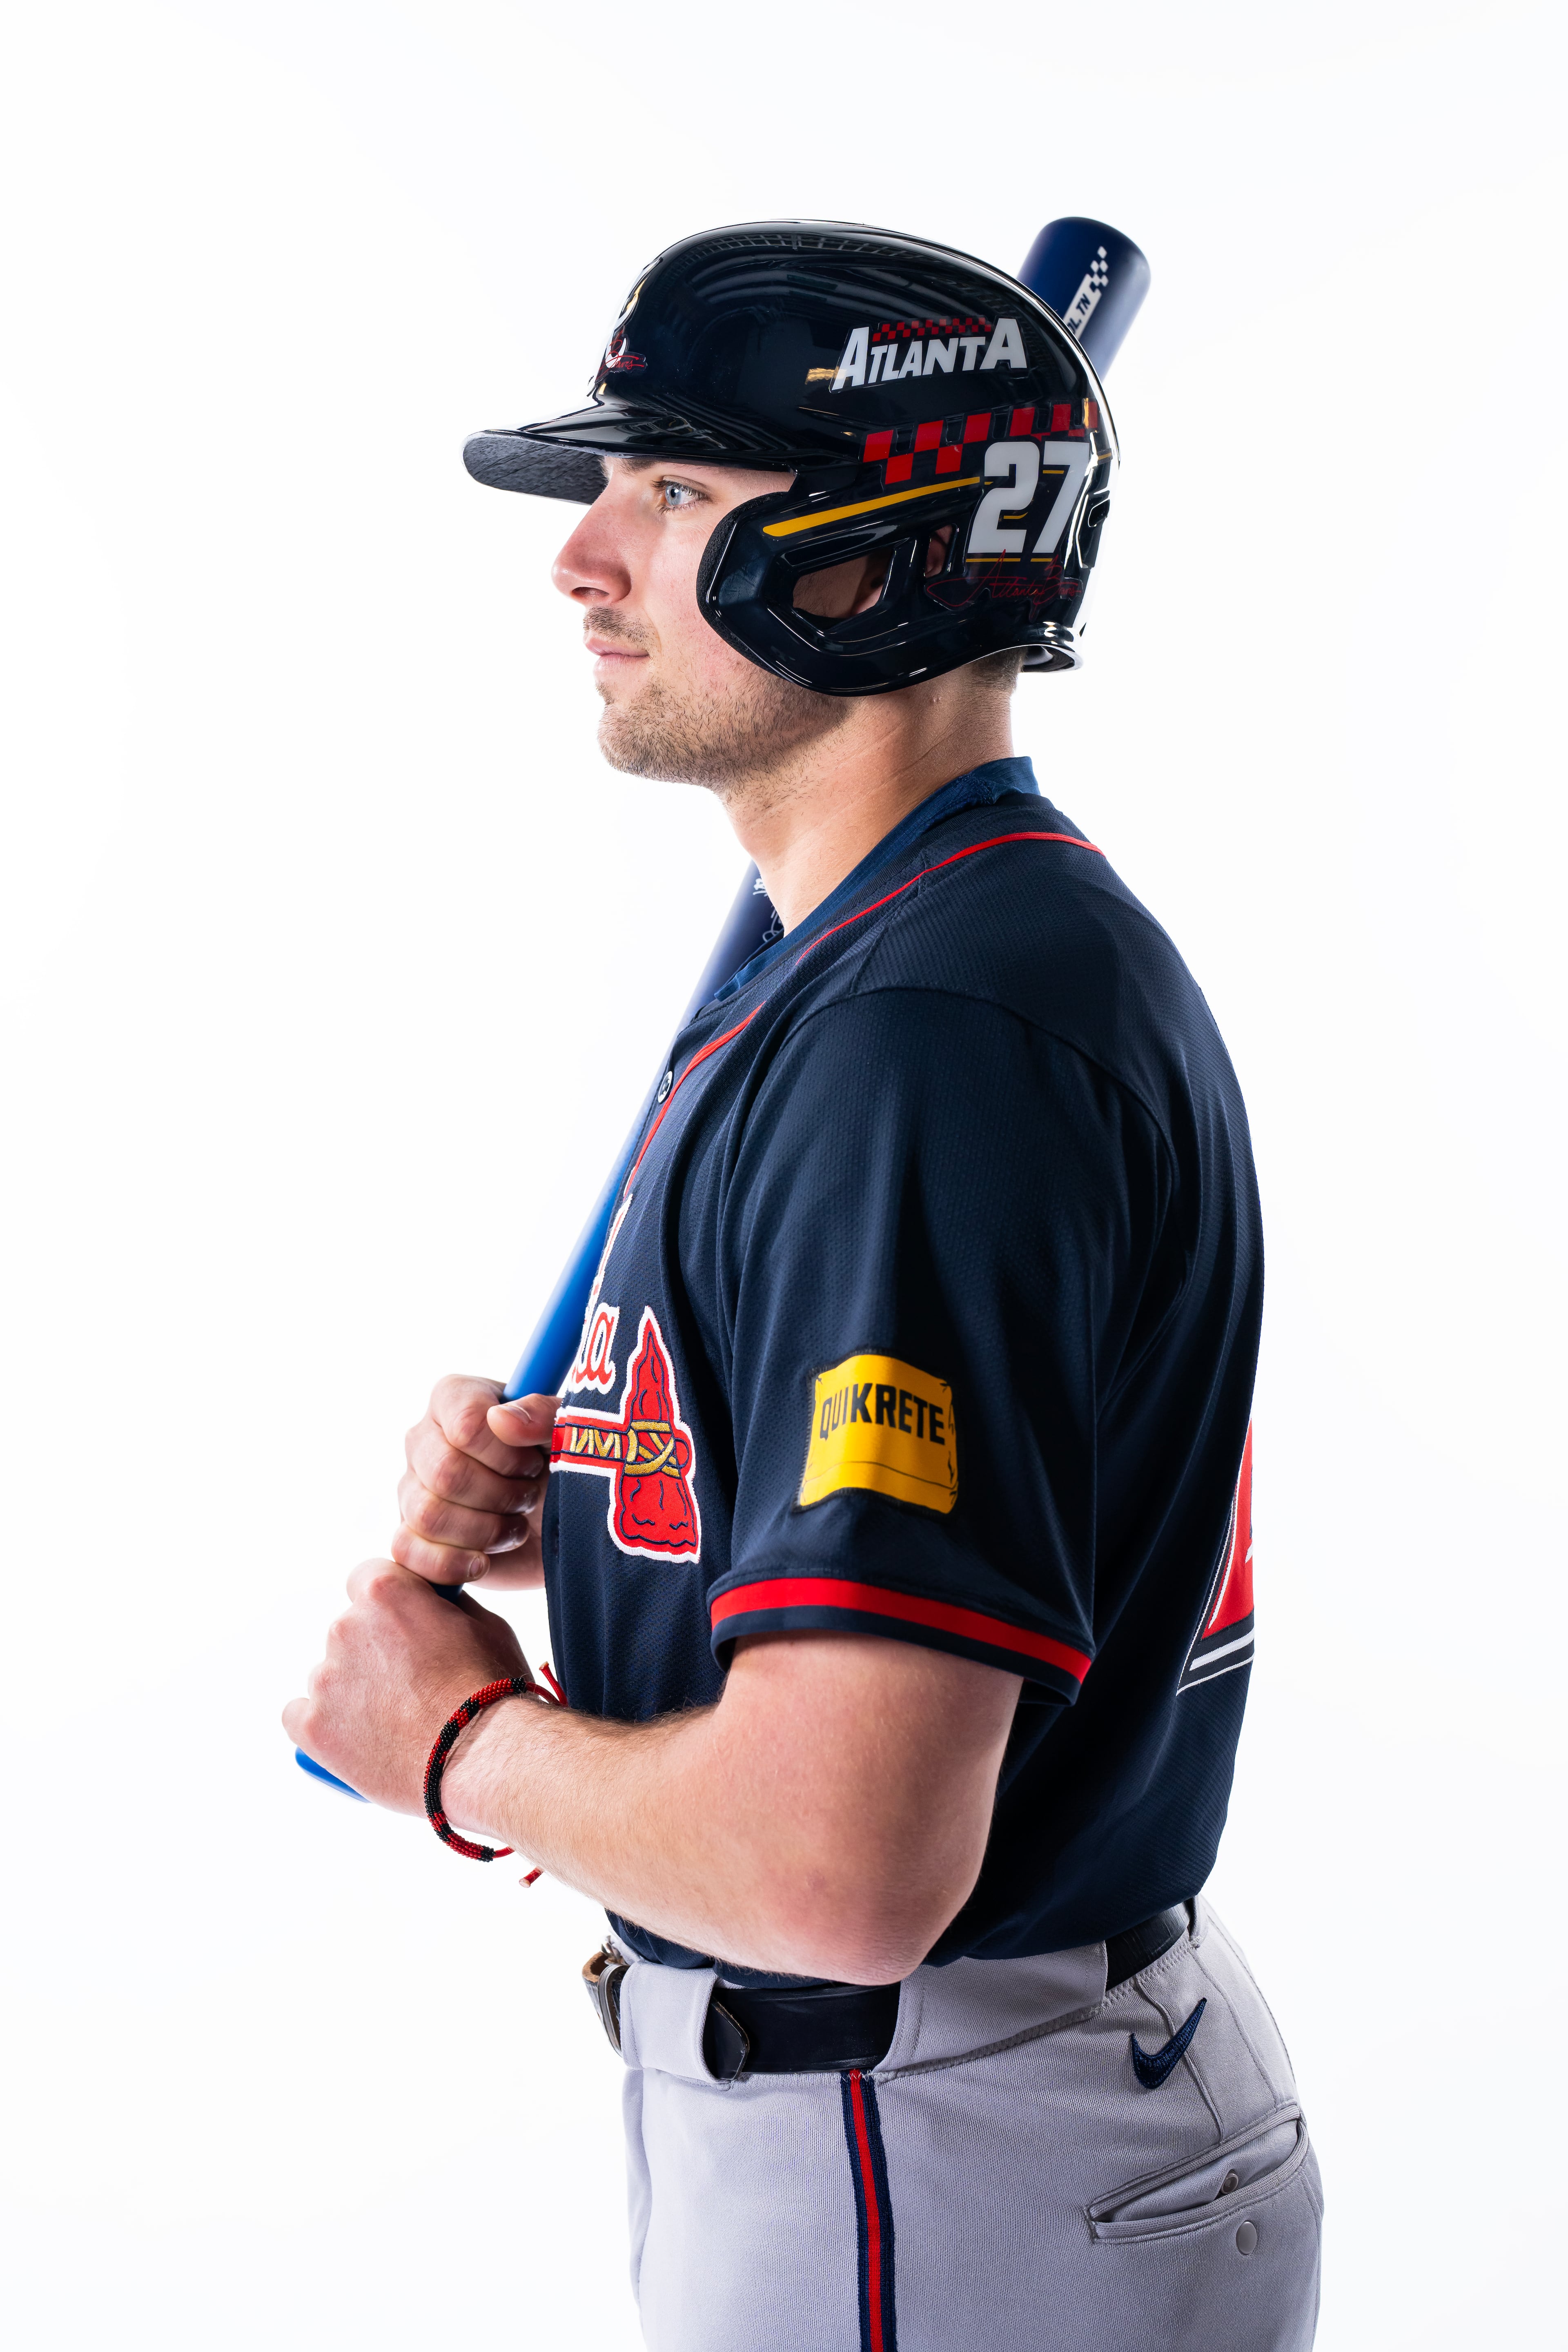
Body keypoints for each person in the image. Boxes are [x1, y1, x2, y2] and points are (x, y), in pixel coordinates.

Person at [285, 222, 1322, 2351]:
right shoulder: (922, 956)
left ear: (883, 557)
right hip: (980, 2125)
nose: (580, 561)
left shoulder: (924, 1036)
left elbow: (838, 1869)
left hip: (926, 2158)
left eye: (670, 493)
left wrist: (457, 1738)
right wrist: (623, 1506)